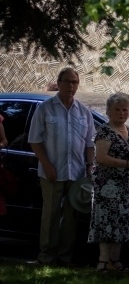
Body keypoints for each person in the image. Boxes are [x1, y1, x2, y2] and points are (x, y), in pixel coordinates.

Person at [28, 67, 96, 265]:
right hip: (52, 171)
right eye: (67, 82)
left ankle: (65, 257)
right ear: (58, 83)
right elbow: (34, 140)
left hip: (76, 172)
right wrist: (47, 165)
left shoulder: (84, 112)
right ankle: (46, 256)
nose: (71, 86)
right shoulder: (45, 108)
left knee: (70, 217)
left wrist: (90, 166)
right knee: (50, 215)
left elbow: (90, 143)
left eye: (75, 82)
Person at [89, 93, 129, 273]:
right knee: (106, 221)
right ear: (109, 112)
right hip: (108, 185)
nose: (122, 113)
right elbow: (102, 158)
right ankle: (103, 261)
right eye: (117, 110)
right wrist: (127, 164)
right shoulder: (104, 131)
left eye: (125, 110)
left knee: (121, 220)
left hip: (125, 185)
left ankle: (115, 260)